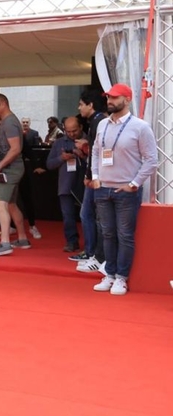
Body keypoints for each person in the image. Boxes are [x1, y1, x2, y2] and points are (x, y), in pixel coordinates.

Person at [90, 83, 157, 296]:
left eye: (115, 98)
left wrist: (133, 184)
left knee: (124, 235)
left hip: (125, 191)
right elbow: (96, 153)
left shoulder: (140, 127)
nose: (110, 101)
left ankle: (121, 277)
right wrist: (95, 177)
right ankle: (109, 274)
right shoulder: (102, 124)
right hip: (103, 189)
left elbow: (151, 160)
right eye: (108, 97)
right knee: (107, 234)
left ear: (127, 100)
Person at [0, 93, 31, 256]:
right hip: (11, 168)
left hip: (9, 169)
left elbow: (16, 149)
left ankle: (5, 242)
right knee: (11, 204)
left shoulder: (10, 122)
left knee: (0, 204)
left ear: (3, 104)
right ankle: (22, 238)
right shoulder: (7, 122)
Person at [74, 90, 108, 271]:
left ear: (90, 105)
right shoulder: (98, 121)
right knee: (93, 216)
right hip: (99, 175)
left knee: (90, 215)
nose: (79, 108)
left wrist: (89, 176)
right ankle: (95, 254)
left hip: (98, 176)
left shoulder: (98, 122)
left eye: (81, 104)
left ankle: (94, 254)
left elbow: (96, 152)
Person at [46, 117, 86, 252]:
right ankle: (71, 241)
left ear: (80, 127)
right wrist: (61, 158)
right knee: (68, 216)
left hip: (85, 184)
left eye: (74, 131)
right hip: (65, 184)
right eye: (68, 131)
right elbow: (49, 164)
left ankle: (91, 244)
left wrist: (84, 155)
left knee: (87, 215)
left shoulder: (88, 140)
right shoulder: (58, 143)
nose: (71, 134)